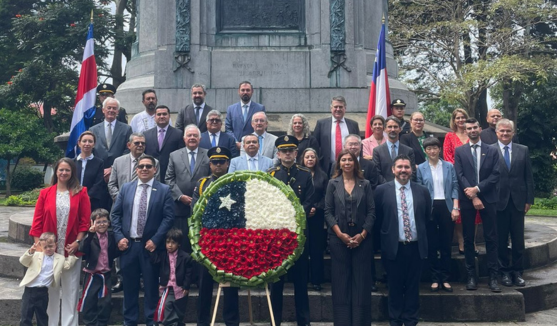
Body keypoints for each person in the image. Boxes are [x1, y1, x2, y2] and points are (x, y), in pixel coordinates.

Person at [111, 155, 175, 326]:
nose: (144, 169)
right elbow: (115, 215)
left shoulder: (163, 190)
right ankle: (129, 321)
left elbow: (169, 217)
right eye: (141, 166)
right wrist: (119, 237)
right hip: (129, 246)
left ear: (155, 169)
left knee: (151, 288)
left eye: (148, 166)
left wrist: (156, 239)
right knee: (130, 288)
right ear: (136, 169)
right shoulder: (126, 188)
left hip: (151, 248)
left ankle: (151, 321)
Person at [29, 158, 91, 326]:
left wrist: (78, 242)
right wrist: (40, 248)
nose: (64, 173)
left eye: (67, 170)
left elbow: (85, 222)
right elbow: (37, 223)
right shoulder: (45, 193)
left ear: (72, 173)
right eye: (61, 170)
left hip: (71, 250)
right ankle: (51, 323)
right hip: (50, 251)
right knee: (52, 290)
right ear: (56, 172)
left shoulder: (81, 192)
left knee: (71, 291)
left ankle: (70, 324)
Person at [375, 155, 431, 326]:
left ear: (412, 169)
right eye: (399, 167)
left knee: (413, 287)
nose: (403, 170)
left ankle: (411, 320)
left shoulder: (422, 191)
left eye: (406, 167)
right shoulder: (381, 190)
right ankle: (396, 320)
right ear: (393, 169)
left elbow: (427, 217)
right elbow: (378, 219)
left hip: (415, 247)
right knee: (395, 286)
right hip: (393, 247)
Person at [325, 150, 375, 326]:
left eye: (350, 160)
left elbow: (371, 212)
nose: (347, 162)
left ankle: (360, 322)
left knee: (361, 283)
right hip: (339, 239)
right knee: (340, 283)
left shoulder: (365, 184)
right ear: (339, 163)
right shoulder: (332, 184)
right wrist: (340, 234)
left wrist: (362, 235)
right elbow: (328, 212)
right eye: (343, 160)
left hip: (362, 239)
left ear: (355, 163)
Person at [268, 136, 314, 326]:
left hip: (298, 237)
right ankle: (274, 320)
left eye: (291, 151)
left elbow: (309, 201)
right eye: (284, 151)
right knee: (276, 284)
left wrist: (293, 218)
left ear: (296, 153)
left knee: (300, 283)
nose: (287, 154)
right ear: (278, 154)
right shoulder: (270, 174)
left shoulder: (305, 174)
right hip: (277, 237)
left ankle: (303, 321)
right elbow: (266, 202)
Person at [192, 146, 240, 326]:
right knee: (204, 285)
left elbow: (241, 211)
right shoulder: (202, 183)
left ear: (228, 163)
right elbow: (195, 211)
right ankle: (202, 321)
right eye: (214, 162)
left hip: (230, 240)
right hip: (208, 240)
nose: (218, 165)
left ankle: (232, 321)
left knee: (231, 284)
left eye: (222, 162)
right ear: (209, 164)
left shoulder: (236, 183)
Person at [454, 118, 501, 292]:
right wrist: (472, 194)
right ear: (465, 131)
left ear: (480, 129)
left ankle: (493, 277)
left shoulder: (492, 150)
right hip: (467, 200)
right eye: (469, 128)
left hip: (488, 197)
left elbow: (496, 175)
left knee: (491, 237)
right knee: (468, 239)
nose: (472, 130)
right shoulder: (460, 151)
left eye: (475, 127)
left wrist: (477, 189)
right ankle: (471, 276)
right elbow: (459, 175)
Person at [494, 119, 534, 287]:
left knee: (518, 241)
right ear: (497, 132)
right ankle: (504, 272)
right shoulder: (490, 151)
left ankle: (517, 272)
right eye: (502, 131)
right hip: (498, 202)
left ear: (513, 132)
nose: (505, 134)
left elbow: (528, 177)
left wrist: (529, 200)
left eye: (508, 131)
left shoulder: (523, 150)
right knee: (501, 240)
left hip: (518, 202)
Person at [416, 138, 459, 292]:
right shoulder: (421, 168)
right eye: (429, 149)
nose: (432, 151)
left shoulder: (449, 166)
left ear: (439, 149)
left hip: (446, 206)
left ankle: (446, 278)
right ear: (425, 151)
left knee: (446, 244)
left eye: (435, 148)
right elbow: (420, 190)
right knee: (432, 245)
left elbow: (455, 186)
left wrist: (455, 208)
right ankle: (435, 278)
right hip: (430, 208)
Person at [165, 125, 211, 251]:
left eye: (195, 135)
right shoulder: (174, 155)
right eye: (189, 135)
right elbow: (169, 179)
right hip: (180, 208)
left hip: (201, 207)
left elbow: (211, 178)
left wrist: (202, 197)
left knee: (199, 243)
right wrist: (180, 196)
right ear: (184, 138)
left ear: (200, 139)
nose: (192, 138)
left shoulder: (208, 154)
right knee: (182, 243)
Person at [443, 108, 481, 255]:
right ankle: (461, 243)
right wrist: (460, 174)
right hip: (457, 179)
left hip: (474, 180)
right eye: (457, 118)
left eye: (463, 117)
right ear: (454, 120)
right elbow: (448, 157)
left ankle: (473, 242)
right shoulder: (449, 136)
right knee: (460, 213)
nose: (460, 120)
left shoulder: (473, 134)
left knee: (475, 213)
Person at [19, 232, 78, 326]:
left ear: (56, 245)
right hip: (29, 290)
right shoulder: (36, 255)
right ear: (41, 247)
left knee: (42, 316)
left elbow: (67, 266)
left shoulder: (60, 258)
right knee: (25, 316)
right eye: (45, 247)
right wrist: (31, 251)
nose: (48, 249)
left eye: (51, 246)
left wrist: (71, 255)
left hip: (43, 291)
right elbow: (23, 261)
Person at [78, 209, 120, 326]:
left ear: (109, 223)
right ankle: (89, 323)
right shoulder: (90, 236)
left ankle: (102, 323)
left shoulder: (111, 236)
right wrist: (90, 234)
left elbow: (115, 252)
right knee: (89, 300)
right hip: (92, 274)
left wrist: (121, 248)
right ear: (92, 223)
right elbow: (82, 249)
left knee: (105, 302)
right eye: (98, 222)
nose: (101, 224)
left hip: (106, 274)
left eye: (104, 221)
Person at [150, 228, 193, 326]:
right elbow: (155, 261)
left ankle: (178, 323)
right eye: (168, 242)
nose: (170, 245)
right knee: (167, 305)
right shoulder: (163, 255)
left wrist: (186, 286)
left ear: (179, 244)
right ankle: (170, 323)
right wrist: (151, 251)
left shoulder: (185, 257)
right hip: (167, 287)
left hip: (180, 287)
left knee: (179, 308)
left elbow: (188, 273)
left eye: (173, 243)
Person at [300, 148, 328, 292]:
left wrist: (315, 207)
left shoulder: (322, 175)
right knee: (302, 247)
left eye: (312, 157)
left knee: (316, 249)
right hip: (301, 215)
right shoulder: (298, 174)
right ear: (302, 159)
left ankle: (316, 280)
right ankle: (302, 279)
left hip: (317, 216)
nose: (310, 159)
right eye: (307, 157)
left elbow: (326, 195)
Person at [89, 97, 133, 182]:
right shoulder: (93, 130)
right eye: (109, 108)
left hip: (120, 173)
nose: (111, 110)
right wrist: (100, 168)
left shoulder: (126, 129)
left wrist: (113, 167)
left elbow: (128, 149)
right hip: (98, 173)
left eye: (114, 108)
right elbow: (91, 150)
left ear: (118, 111)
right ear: (103, 110)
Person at [313, 96, 360, 174]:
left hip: (348, 166)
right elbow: (315, 145)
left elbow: (359, 145)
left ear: (345, 108)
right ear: (331, 108)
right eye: (335, 107)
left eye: (341, 107)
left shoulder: (353, 125)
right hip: (326, 167)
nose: (338, 109)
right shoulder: (321, 124)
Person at [108, 133, 160, 201]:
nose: (140, 145)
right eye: (137, 143)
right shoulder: (118, 161)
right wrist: (121, 199)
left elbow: (156, 185)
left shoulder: (154, 162)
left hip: (144, 203)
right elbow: (112, 184)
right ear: (129, 145)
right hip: (121, 204)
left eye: (143, 143)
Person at [144, 105, 185, 182]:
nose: (162, 116)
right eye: (159, 114)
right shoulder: (146, 134)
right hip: (151, 175)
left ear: (169, 116)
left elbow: (181, 156)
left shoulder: (178, 134)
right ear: (154, 117)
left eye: (164, 114)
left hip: (171, 176)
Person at [372, 116, 416, 182]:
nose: (392, 130)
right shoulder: (377, 151)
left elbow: (412, 172)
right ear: (385, 129)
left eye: (395, 127)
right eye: (390, 127)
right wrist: (389, 187)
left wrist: (402, 185)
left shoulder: (409, 151)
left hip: (404, 188)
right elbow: (377, 173)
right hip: (385, 189)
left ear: (400, 129)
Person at [225, 81, 266, 149]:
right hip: (235, 148)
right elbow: (228, 129)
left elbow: (263, 128)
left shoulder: (260, 108)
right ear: (239, 91)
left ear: (252, 91)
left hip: (253, 147)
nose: (245, 92)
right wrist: (236, 142)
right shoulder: (231, 109)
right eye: (243, 90)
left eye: (248, 90)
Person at [74, 131, 106, 211]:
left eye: (90, 141)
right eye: (84, 141)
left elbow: (98, 183)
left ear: (94, 144)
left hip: (92, 202)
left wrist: (86, 197)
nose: (87, 144)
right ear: (79, 143)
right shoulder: (72, 163)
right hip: (73, 199)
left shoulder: (99, 163)